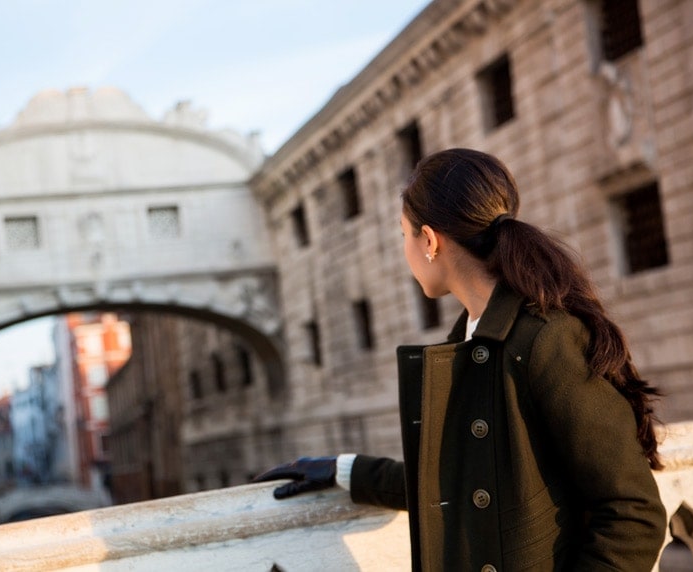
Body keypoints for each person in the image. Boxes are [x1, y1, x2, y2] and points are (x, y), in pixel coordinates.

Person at [254, 148, 667, 570]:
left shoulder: (546, 339)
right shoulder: (469, 339)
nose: (405, 250)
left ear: (429, 241)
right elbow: (461, 484)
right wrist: (346, 472)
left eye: (404, 235)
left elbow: (633, 513)